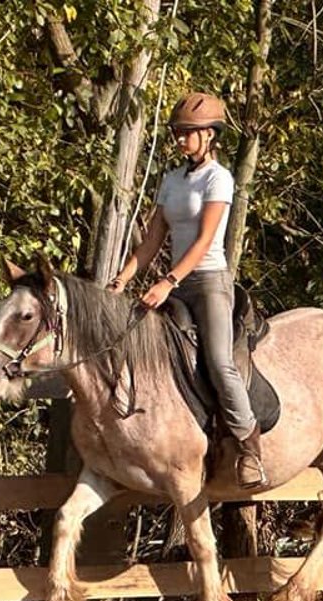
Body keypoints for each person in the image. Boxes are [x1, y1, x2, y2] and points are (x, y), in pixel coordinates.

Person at [108, 91, 267, 490]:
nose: (181, 139)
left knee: (217, 360)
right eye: (178, 133)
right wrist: (123, 278)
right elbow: (152, 239)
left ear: (210, 136)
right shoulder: (172, 180)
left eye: (189, 133)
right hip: (175, 284)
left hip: (208, 281)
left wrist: (168, 281)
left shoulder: (220, 178)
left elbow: (203, 240)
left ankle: (250, 446)